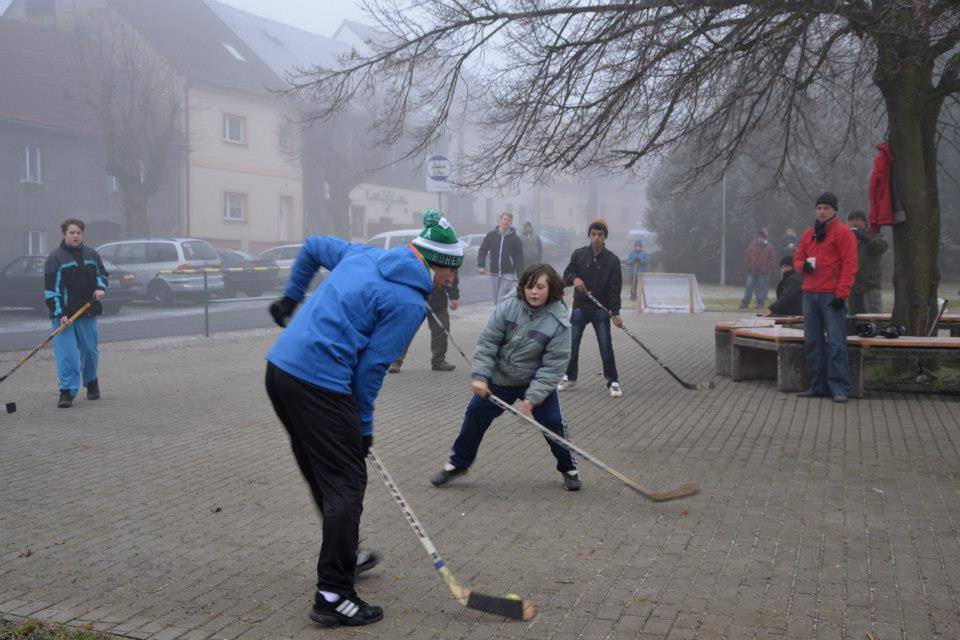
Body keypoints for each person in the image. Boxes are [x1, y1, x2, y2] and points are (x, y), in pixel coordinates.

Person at [264, 210, 462, 628]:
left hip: (281, 371)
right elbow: (370, 370)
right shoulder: (409, 302)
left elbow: (315, 244)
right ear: (436, 264)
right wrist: (364, 429)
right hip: (320, 383)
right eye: (450, 272)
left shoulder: (365, 255)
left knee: (325, 475)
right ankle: (333, 594)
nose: (450, 281)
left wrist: (291, 298)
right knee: (348, 484)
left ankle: (344, 554)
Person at [429, 263, 581, 491]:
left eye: (540, 287)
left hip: (535, 381)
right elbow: (488, 342)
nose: (534, 292)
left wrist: (532, 400)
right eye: (530, 287)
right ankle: (457, 464)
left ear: (552, 289)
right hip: (501, 379)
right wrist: (480, 376)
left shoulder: (559, 322)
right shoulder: (509, 306)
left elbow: (554, 367)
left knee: (552, 422)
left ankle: (569, 468)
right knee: (475, 414)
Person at [794, 192, 858, 403]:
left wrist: (841, 294)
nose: (821, 212)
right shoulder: (809, 234)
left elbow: (850, 265)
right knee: (812, 342)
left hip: (832, 295)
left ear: (834, 211)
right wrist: (802, 267)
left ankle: (840, 388)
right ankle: (817, 386)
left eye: (826, 208)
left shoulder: (844, 233)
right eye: (819, 208)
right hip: (810, 294)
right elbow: (798, 258)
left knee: (836, 342)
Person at [44, 218, 108, 408]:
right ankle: (67, 391)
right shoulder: (55, 258)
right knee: (68, 355)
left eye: (78, 232)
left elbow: (102, 275)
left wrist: (100, 288)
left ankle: (91, 382)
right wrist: (59, 313)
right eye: (71, 232)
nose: (75, 235)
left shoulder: (92, 254)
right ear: (64, 234)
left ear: (82, 234)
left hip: (87, 312)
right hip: (65, 317)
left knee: (89, 351)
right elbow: (50, 290)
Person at [557, 218, 624, 397]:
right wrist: (574, 279)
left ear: (605, 237)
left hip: (600, 308)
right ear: (589, 235)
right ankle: (570, 376)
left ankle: (613, 381)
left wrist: (615, 312)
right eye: (593, 234)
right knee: (572, 342)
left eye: (600, 235)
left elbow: (615, 289)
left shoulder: (612, 260)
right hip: (580, 305)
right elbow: (567, 274)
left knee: (605, 345)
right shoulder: (578, 254)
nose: (596, 238)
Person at [388, 272, 460, 372]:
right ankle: (395, 361)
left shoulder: (446, 258)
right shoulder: (416, 257)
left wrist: (454, 296)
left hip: (438, 301)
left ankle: (438, 362)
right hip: (415, 300)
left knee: (442, 329)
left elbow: (451, 276)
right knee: (405, 331)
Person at [846, 209, 888, 315]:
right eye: (851, 220)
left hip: (871, 284)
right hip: (853, 286)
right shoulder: (845, 238)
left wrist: (864, 238)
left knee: (874, 315)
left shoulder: (874, 234)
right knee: (854, 317)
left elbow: (881, 247)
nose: (854, 223)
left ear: (865, 222)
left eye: (858, 220)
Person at [478, 212, 524, 304]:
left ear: (511, 223)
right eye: (504, 219)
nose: (506, 222)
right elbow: (482, 250)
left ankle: (499, 317)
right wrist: (481, 265)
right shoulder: (491, 235)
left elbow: (519, 258)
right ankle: (501, 315)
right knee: (496, 299)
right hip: (494, 272)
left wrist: (519, 275)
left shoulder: (515, 239)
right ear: (500, 220)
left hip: (508, 273)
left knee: (501, 298)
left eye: (508, 220)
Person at [740, 229, 775, 309]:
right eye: (759, 237)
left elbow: (772, 259)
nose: (760, 238)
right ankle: (745, 303)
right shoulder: (752, 245)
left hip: (764, 272)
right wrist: (748, 266)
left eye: (762, 237)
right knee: (749, 287)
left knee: (762, 288)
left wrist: (767, 268)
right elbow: (747, 256)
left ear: (765, 238)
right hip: (752, 271)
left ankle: (760, 303)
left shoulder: (769, 247)